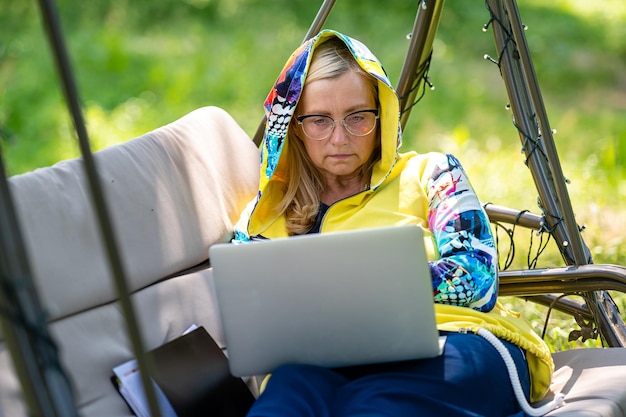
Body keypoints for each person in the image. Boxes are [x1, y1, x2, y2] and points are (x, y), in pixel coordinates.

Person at [232, 30, 554, 416]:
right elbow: (249, 309)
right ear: (296, 126)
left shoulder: (433, 173)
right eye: (319, 120)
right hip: (322, 361)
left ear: (381, 114)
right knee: (284, 398)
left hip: (453, 341)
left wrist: (372, 283)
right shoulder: (265, 217)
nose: (340, 137)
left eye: (357, 117)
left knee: (374, 405)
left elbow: (478, 280)